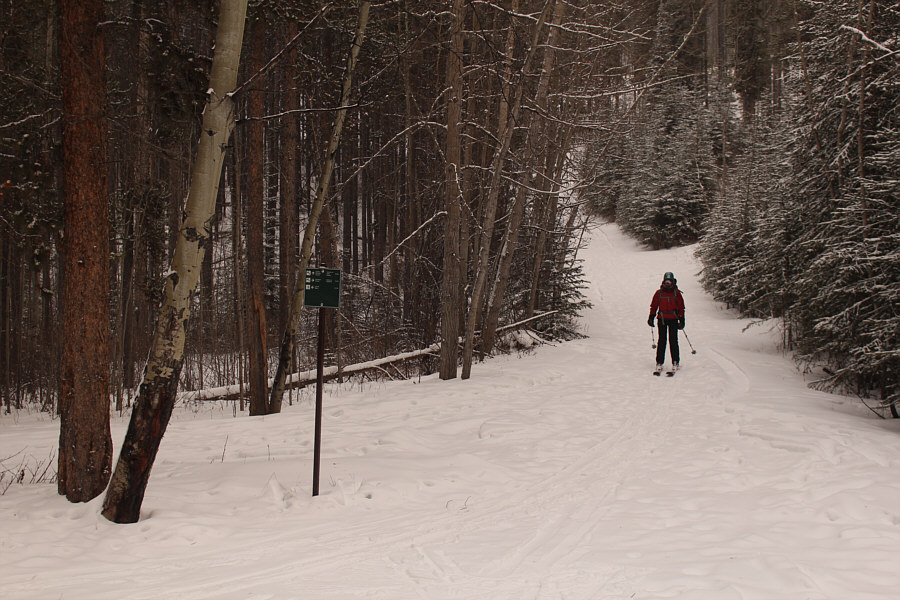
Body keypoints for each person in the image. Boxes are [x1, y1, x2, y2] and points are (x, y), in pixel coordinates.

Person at [648, 272, 685, 373]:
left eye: (670, 282)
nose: (668, 284)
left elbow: (681, 308)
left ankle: (675, 362)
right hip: (662, 319)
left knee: (673, 341)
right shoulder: (659, 293)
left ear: (673, 282)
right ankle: (659, 362)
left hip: (673, 319)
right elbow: (654, 306)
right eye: (666, 282)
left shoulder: (676, 293)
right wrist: (651, 317)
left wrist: (682, 320)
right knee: (662, 341)